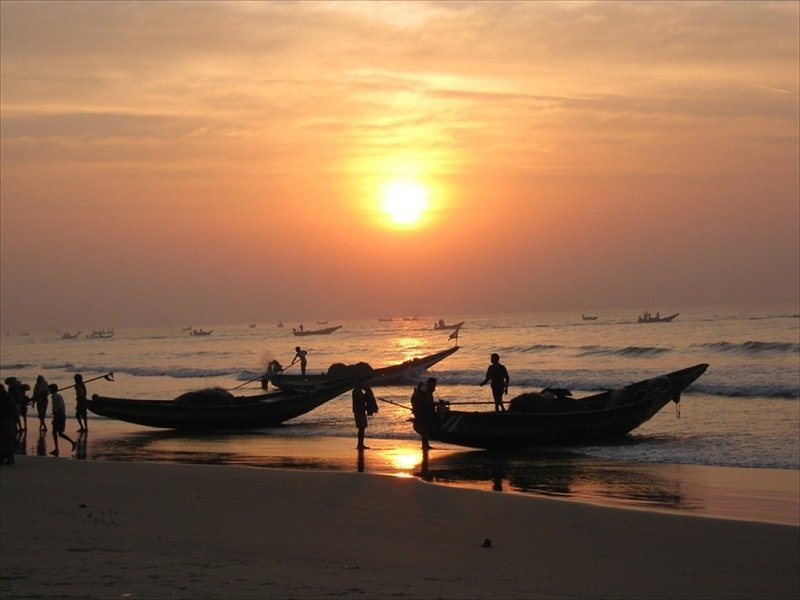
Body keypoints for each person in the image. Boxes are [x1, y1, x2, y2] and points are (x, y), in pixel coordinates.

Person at [48, 384, 76, 456]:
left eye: (50, 389)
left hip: (59, 415)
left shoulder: (56, 397)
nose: (49, 391)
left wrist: (55, 418)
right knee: (57, 433)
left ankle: (58, 449)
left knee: (57, 432)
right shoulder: (55, 396)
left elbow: (59, 408)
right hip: (59, 415)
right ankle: (58, 448)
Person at [410, 377, 438, 450]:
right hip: (421, 411)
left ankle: (425, 444)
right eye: (434, 384)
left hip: (421, 410)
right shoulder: (424, 390)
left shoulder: (426, 389)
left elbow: (427, 401)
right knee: (424, 427)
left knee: (425, 427)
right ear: (430, 383)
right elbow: (423, 401)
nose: (435, 386)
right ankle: (425, 445)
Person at [352, 378, 369, 450]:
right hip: (359, 411)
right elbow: (360, 401)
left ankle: (360, 444)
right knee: (361, 427)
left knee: (362, 428)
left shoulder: (357, 391)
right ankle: (360, 444)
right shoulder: (357, 391)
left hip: (359, 411)